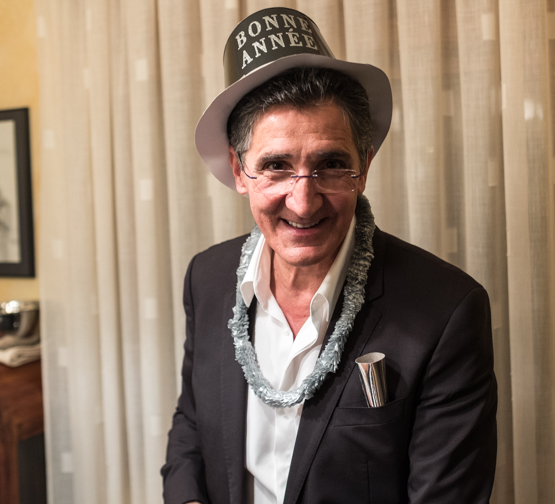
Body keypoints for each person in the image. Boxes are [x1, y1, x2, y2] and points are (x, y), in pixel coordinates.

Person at [163, 7, 497, 504]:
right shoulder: (207, 278)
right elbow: (192, 422)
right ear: (238, 170)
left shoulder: (447, 312)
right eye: (276, 166)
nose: (303, 202)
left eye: (331, 164)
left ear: (364, 166)